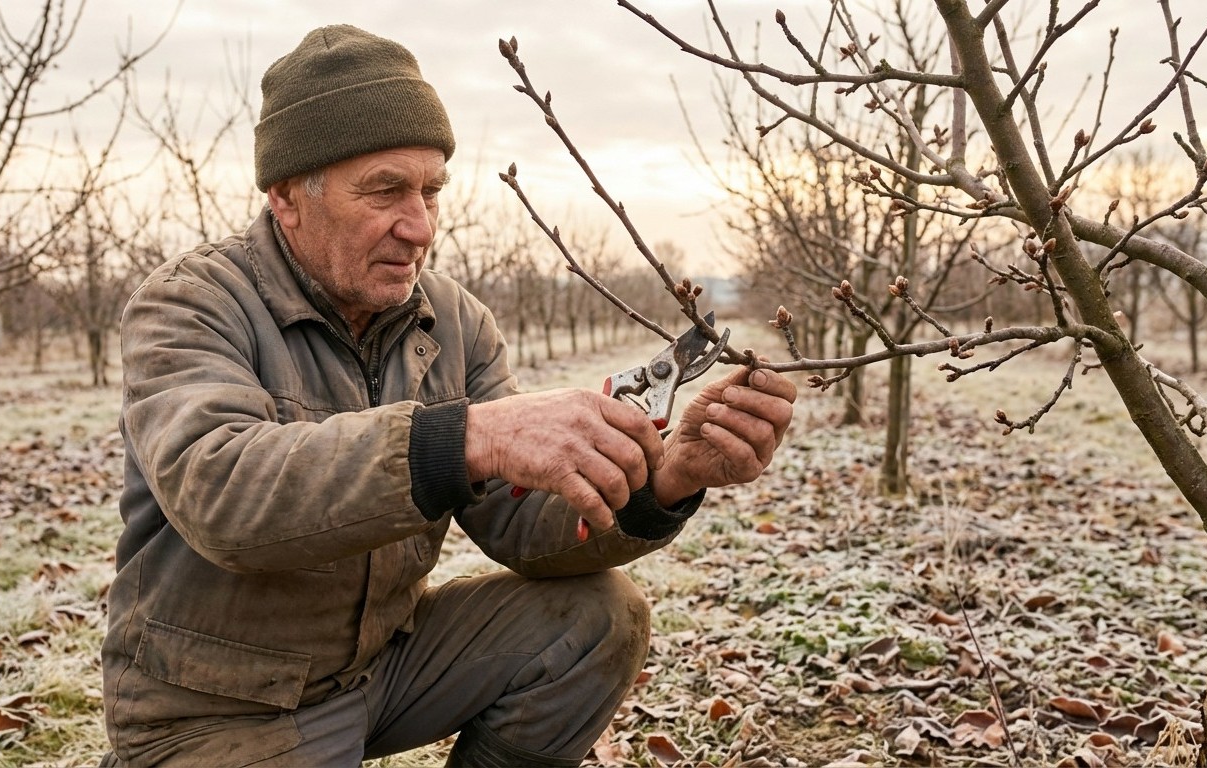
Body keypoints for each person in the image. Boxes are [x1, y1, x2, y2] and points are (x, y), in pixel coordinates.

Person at [99, 23, 796, 768]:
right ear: (286, 196)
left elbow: (519, 524)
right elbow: (224, 496)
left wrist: (669, 476)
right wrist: (465, 436)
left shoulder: (452, 320)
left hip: (379, 670)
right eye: (384, 191)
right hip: (215, 705)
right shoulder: (189, 304)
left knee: (596, 617)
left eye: (432, 191)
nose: (420, 225)